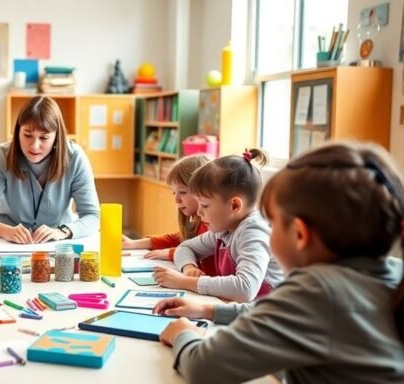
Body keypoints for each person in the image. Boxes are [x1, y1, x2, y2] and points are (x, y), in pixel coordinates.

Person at [155, 142, 404, 383]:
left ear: (299, 234)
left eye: (272, 223)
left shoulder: (317, 291)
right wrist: (207, 310)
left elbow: (203, 368)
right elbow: (276, 311)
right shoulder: (394, 273)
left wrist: (183, 334)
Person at [154, 149, 283, 302]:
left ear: (234, 205)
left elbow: (245, 288)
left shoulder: (254, 232)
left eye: (205, 205)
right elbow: (185, 247)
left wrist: (184, 281)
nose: (199, 212)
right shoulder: (224, 228)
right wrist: (189, 267)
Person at [0, 96, 100, 244]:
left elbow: (93, 216)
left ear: (56, 136)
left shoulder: (75, 157)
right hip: (9, 245)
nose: (34, 146)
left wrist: (62, 232)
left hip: (58, 244)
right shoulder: (3, 156)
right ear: (18, 131)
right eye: (27, 135)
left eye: (44, 138)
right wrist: (6, 232)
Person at [122, 154, 215, 274]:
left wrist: (170, 253)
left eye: (182, 192)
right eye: (174, 193)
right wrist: (134, 243)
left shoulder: (213, 225)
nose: (176, 200)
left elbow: (195, 250)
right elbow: (179, 237)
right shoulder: (199, 222)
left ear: (202, 191)